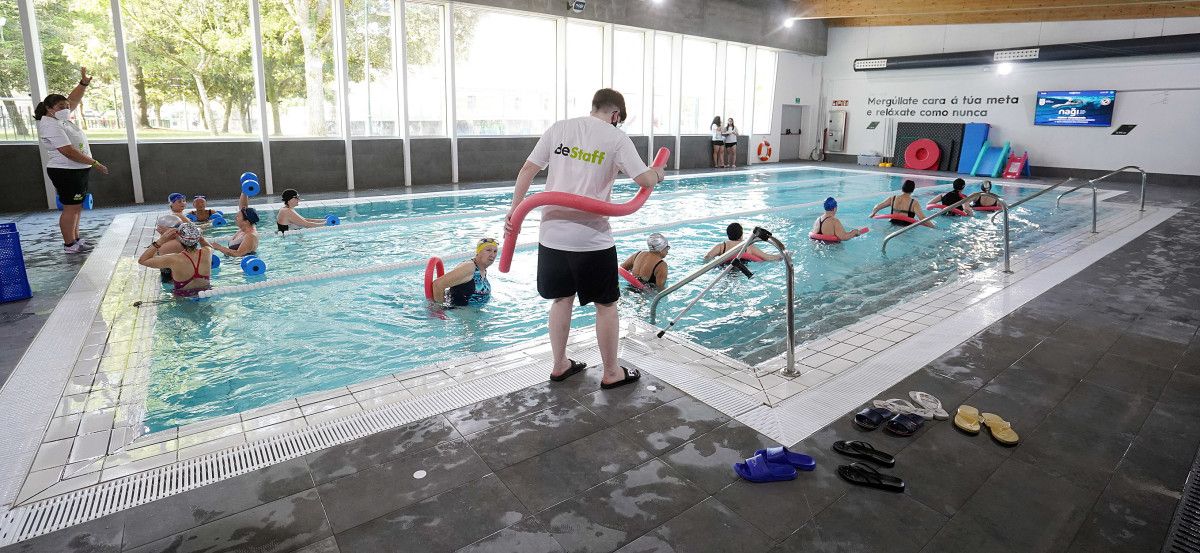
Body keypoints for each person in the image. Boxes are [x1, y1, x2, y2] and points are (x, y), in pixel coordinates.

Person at [508, 88, 665, 389]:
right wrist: (658, 172)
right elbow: (643, 179)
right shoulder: (616, 137)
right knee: (606, 304)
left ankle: (559, 365)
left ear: (594, 106)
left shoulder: (559, 128)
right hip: (592, 239)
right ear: (616, 115)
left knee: (560, 299)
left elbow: (528, 169)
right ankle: (611, 372)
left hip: (552, 235)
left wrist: (515, 210)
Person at [34, 67, 109, 254]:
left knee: (76, 207)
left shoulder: (61, 118)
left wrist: (83, 84)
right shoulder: (50, 125)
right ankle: (69, 244)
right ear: (49, 109)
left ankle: (75, 239)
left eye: (66, 107)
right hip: (66, 170)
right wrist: (94, 162)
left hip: (77, 169)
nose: (66, 109)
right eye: (61, 107)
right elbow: (68, 151)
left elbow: (73, 99)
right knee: (70, 208)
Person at [137, 222, 212, 297]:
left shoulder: (173, 259)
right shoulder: (207, 251)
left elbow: (143, 260)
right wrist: (197, 235)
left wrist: (160, 241)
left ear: (179, 238)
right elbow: (206, 244)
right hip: (206, 294)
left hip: (183, 301)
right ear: (198, 236)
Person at [430, 238, 497, 307]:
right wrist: (440, 311)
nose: (492, 254)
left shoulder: (483, 270)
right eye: (488, 250)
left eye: (495, 251)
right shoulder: (469, 267)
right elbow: (437, 285)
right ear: (478, 252)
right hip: (458, 314)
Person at [207, 194, 260, 258]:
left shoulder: (250, 236)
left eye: (238, 216)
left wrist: (219, 247)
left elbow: (238, 254)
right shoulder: (244, 229)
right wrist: (244, 192)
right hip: (234, 263)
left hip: (241, 266)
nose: (235, 218)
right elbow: (243, 208)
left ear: (246, 222)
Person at [870, 180, 934, 227]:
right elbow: (922, 218)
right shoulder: (914, 203)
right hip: (906, 228)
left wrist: (873, 214)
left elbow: (877, 206)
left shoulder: (893, 198)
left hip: (892, 224)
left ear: (902, 188)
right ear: (913, 190)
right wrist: (933, 226)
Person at [704, 222, 782, 262]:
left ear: (728, 234)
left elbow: (707, 257)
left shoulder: (721, 246)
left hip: (724, 268)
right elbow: (768, 258)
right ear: (741, 235)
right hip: (742, 270)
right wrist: (782, 255)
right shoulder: (748, 247)